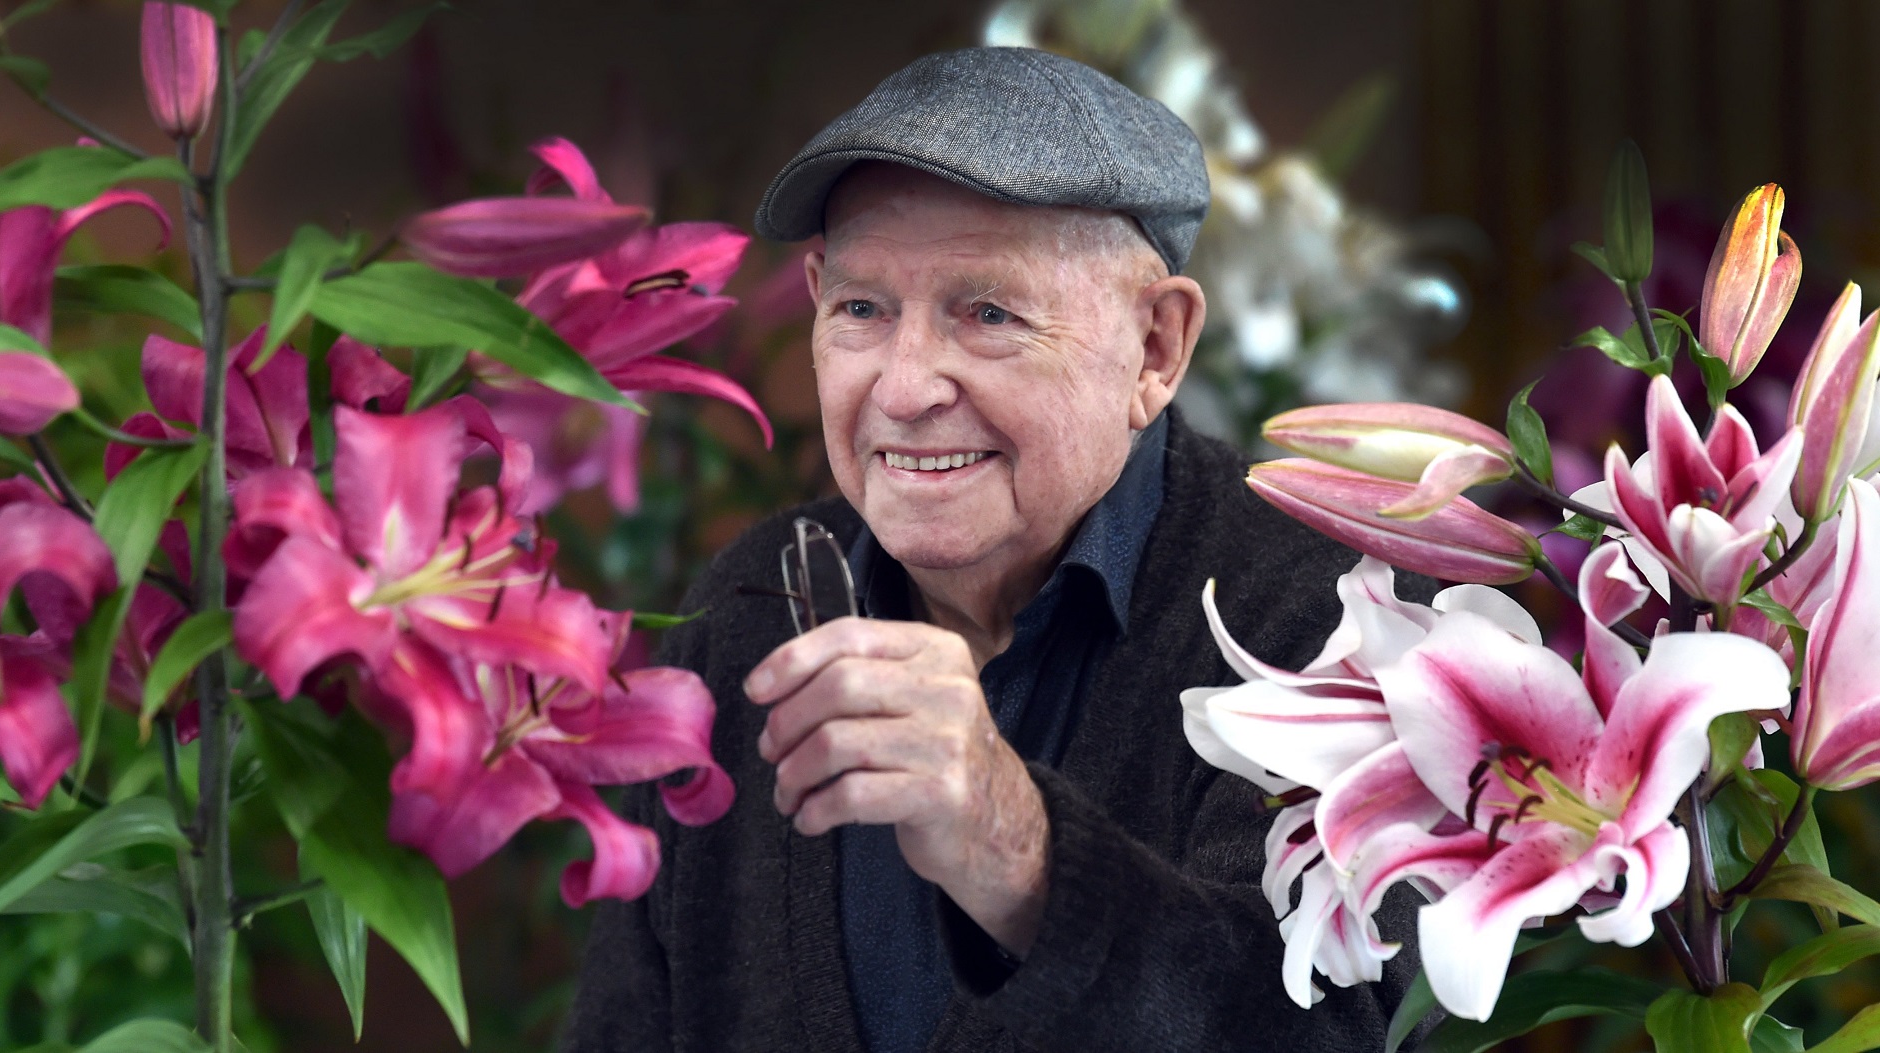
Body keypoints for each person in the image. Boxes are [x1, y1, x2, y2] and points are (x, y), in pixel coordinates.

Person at [562, 46, 1422, 1053]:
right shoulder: (743, 614)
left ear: (1156, 349)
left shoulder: (1331, 613)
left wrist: (1016, 848)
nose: (905, 386)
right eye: (862, 311)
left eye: (989, 314)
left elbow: (1349, 1030)